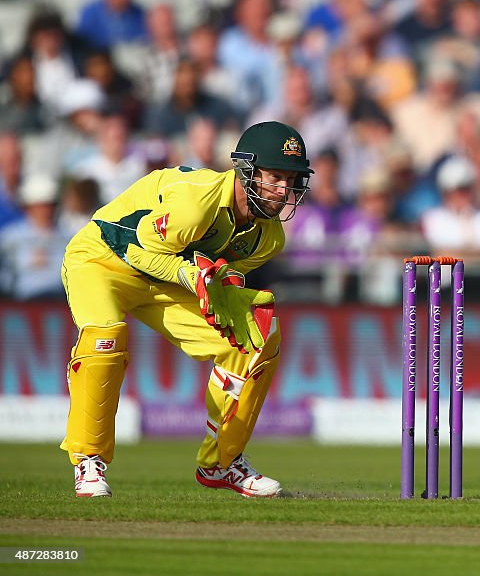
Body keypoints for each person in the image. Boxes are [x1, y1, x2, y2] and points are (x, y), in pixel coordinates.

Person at [60, 121, 313, 498]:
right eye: (275, 176)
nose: (284, 190)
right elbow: (136, 250)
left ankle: (221, 462)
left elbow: (216, 275)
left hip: (166, 279)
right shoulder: (197, 202)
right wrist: (188, 274)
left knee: (257, 339)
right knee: (105, 338)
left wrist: (222, 287)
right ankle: (88, 461)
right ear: (246, 170)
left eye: (291, 179)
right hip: (102, 260)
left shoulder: (268, 238)